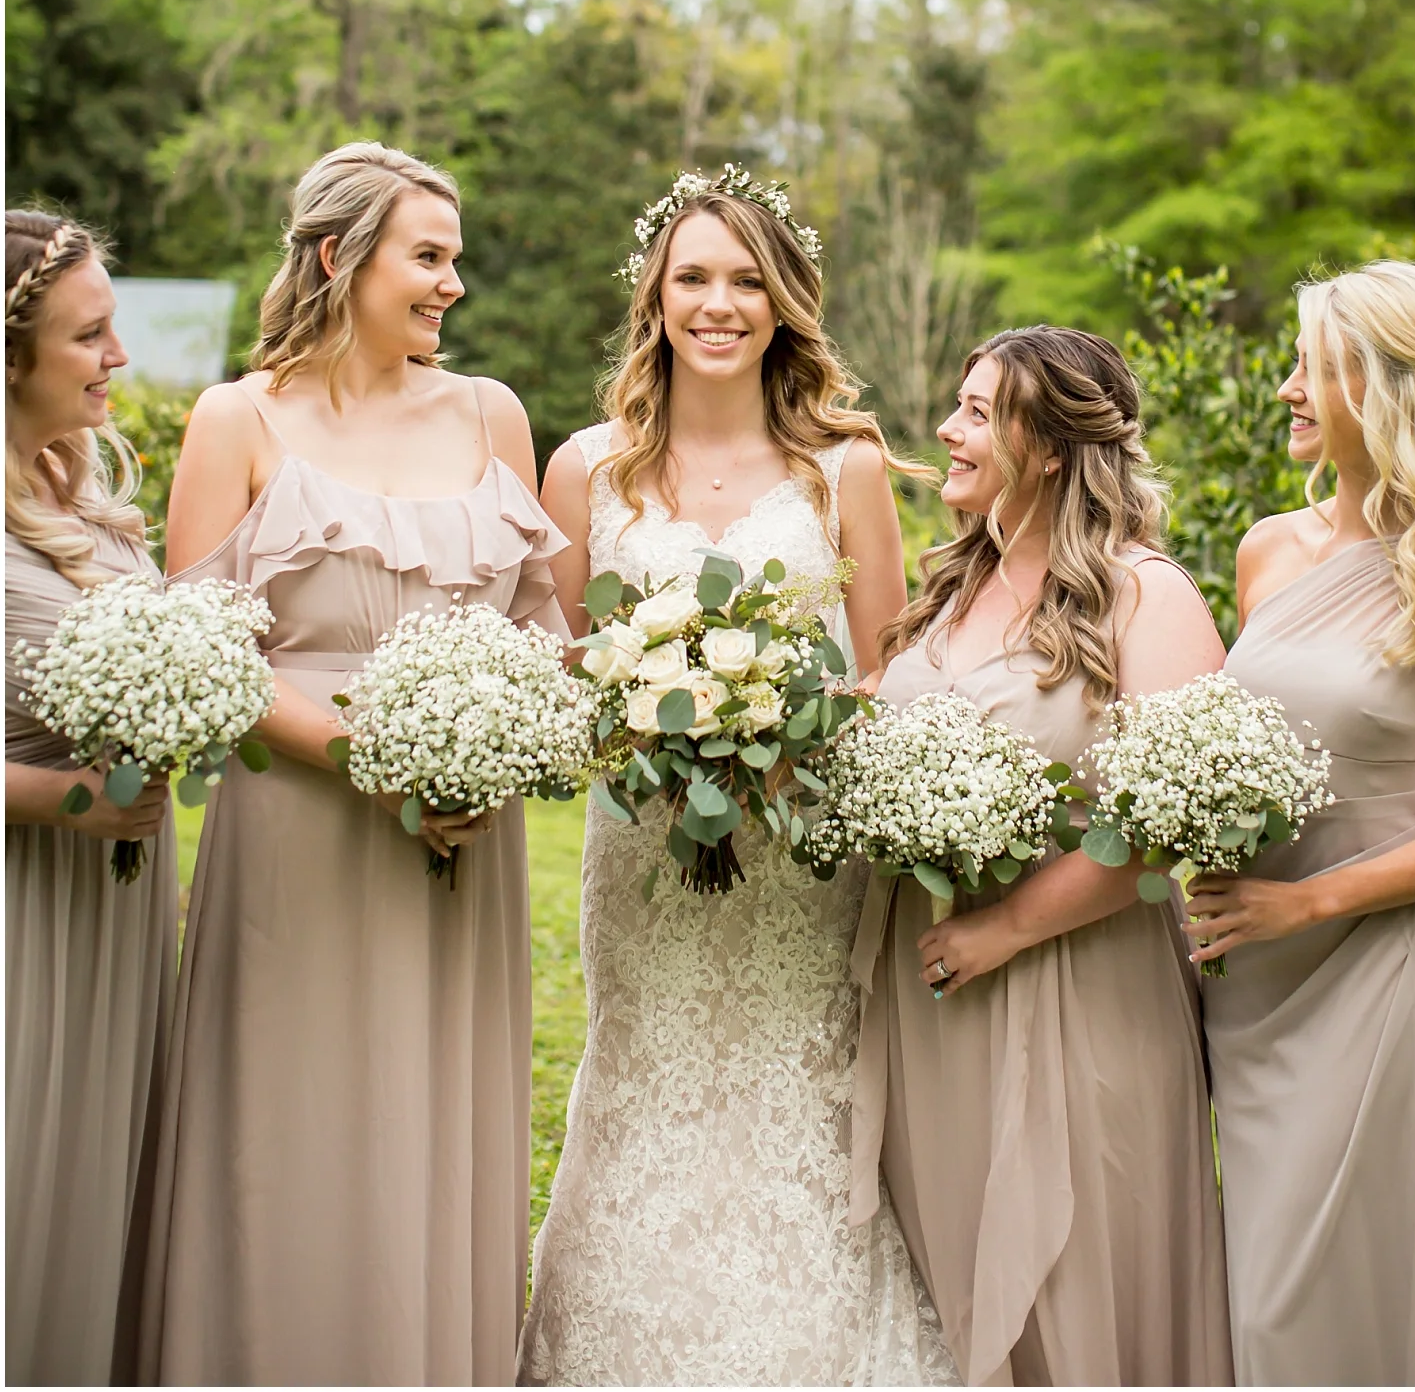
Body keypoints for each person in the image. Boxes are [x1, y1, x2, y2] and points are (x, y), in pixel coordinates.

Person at [138, 142, 570, 1388]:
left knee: (436, 1132)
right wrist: (376, 761)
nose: (453, 285)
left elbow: (540, 622)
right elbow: (200, 649)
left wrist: (495, 747)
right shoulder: (239, 418)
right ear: (339, 257)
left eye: (454, 258)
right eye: (427, 256)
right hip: (303, 837)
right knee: (297, 1130)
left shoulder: (491, 412)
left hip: (464, 844)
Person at [519, 167, 954, 1388]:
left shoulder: (843, 468)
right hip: (643, 855)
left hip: (800, 860)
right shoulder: (587, 469)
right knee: (643, 1072)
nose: (719, 303)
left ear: (784, 304)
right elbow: (561, 678)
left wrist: (782, 726)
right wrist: (655, 731)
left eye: (746, 279)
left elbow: (884, 676)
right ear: (655, 298)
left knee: (795, 1087)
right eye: (694, 277)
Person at [850, 325, 1233, 1388]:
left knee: (1079, 1279)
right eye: (957, 406)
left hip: (1078, 988)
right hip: (933, 992)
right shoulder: (951, 588)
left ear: (1054, 445)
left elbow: (1169, 831)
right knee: (950, 1264)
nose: (947, 430)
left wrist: (1005, 928)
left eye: (978, 412)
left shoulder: (1142, 594)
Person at [1188, 261, 1415, 1385]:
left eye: (1310, 366)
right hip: (1244, 968)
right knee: (1248, 1284)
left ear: (1381, 385)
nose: (1286, 391)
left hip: (1365, 959)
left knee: (1321, 1300)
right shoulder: (1266, 547)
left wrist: (1307, 899)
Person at [5, 210, 177, 1388]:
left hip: (116, 912)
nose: (119, 357)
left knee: (97, 1184)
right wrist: (66, 800)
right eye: (90, 334)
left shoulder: (87, 487)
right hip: (25, 913)